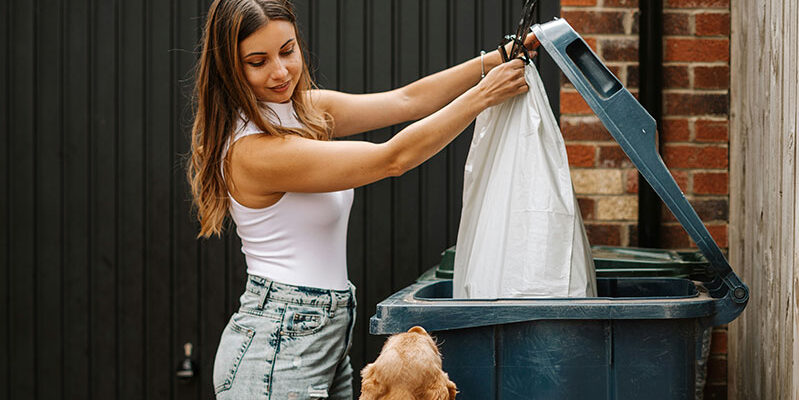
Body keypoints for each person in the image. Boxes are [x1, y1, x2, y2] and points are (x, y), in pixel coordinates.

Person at [188, 0, 538, 398]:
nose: (281, 71)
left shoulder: (304, 112)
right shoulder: (252, 151)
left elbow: (407, 100)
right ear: (230, 68)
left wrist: (494, 61)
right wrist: (483, 96)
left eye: (287, 50)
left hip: (320, 335)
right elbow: (393, 158)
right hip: (277, 347)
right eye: (258, 61)